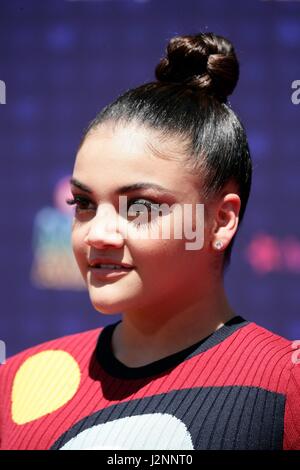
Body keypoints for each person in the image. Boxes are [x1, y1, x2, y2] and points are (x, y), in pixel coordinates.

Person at [0, 32, 299, 451]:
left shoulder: (287, 384)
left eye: (139, 207)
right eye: (83, 203)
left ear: (221, 220)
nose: (97, 233)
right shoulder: (17, 380)